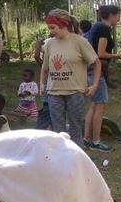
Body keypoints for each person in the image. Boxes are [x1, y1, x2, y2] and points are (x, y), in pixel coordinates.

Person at [40, 9, 102, 148]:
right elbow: (45, 68)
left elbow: (97, 63)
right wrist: (42, 84)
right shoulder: (49, 43)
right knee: (58, 131)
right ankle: (60, 160)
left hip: (75, 91)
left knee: (75, 128)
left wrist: (95, 85)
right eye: (49, 28)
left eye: (52, 27)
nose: (51, 31)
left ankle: (77, 159)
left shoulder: (80, 41)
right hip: (54, 92)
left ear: (63, 24)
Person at [84, 5, 121, 152]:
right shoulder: (104, 29)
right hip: (96, 70)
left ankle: (86, 139)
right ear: (111, 15)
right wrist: (119, 56)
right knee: (100, 106)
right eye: (118, 15)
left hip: (90, 69)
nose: (119, 18)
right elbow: (101, 53)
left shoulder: (96, 27)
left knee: (94, 105)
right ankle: (96, 141)